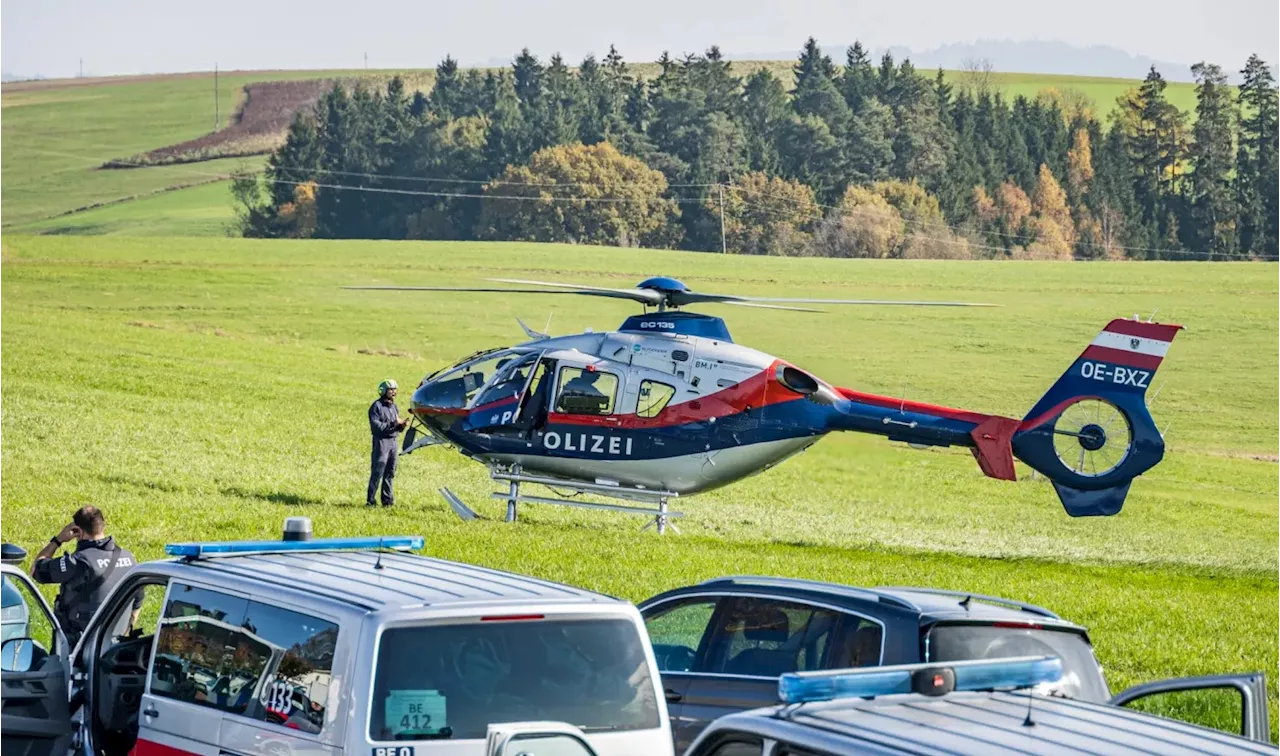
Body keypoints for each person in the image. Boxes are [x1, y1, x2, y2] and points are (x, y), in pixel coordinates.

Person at [31, 505, 140, 648]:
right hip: (114, 646)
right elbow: (136, 605)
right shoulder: (129, 558)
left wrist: (58, 540)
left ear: (78, 531)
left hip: (78, 647)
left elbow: (35, 570)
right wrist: (122, 638)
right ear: (102, 526)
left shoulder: (77, 562)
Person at [368, 378, 408, 507]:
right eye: (391, 389)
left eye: (395, 389)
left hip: (393, 442)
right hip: (381, 442)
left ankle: (387, 502)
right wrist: (394, 424)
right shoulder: (376, 407)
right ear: (383, 391)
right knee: (378, 471)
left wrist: (401, 426)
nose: (393, 392)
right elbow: (376, 427)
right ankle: (371, 501)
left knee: (390, 472)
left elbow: (396, 426)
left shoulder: (394, 407)